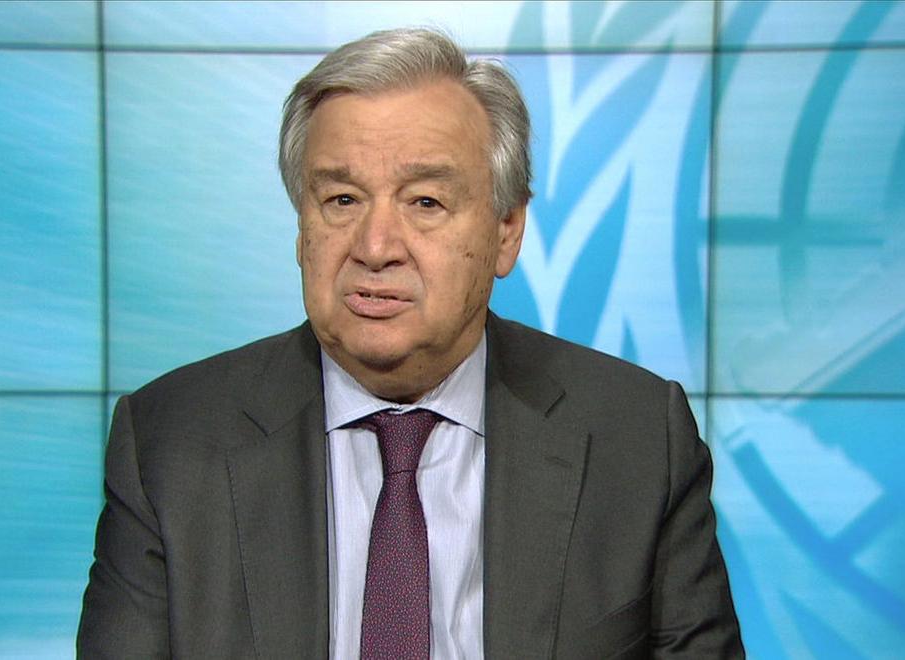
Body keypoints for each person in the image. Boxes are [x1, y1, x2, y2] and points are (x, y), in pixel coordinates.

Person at [78, 28, 743, 659]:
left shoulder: (636, 439)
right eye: (342, 200)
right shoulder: (170, 443)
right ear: (302, 228)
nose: (374, 248)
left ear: (506, 231)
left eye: (425, 202)